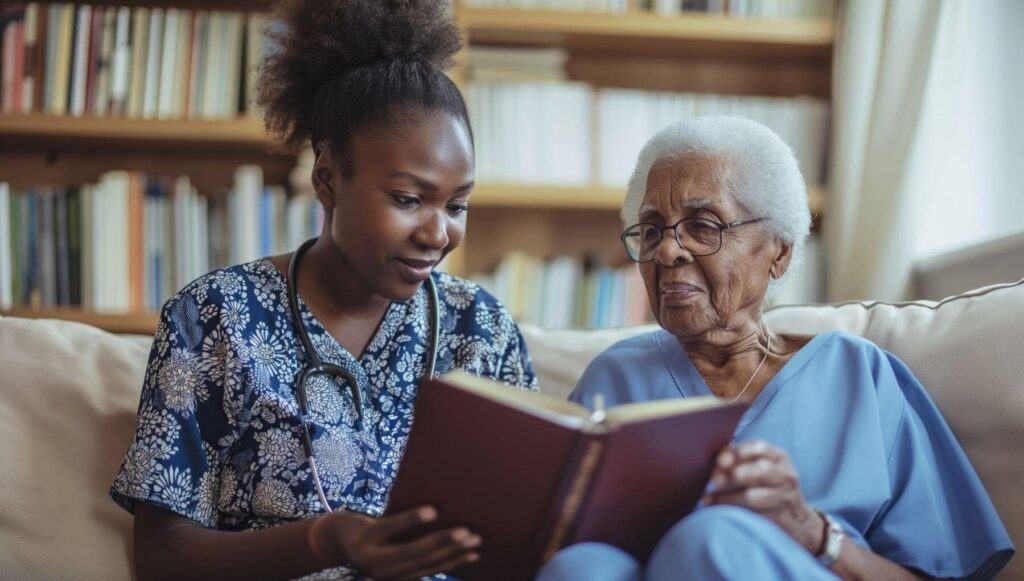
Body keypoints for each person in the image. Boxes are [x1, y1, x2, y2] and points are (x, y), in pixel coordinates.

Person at [109, 1, 537, 579]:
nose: (439, 233)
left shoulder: (480, 330)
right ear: (328, 177)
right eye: (408, 199)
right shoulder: (214, 317)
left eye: (456, 205)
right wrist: (324, 539)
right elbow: (161, 558)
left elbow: (531, 525)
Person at [537, 116, 1014, 580]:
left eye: (703, 226)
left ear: (779, 251)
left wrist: (811, 532)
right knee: (582, 568)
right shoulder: (613, 377)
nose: (667, 250)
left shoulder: (858, 376)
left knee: (708, 540)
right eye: (653, 228)